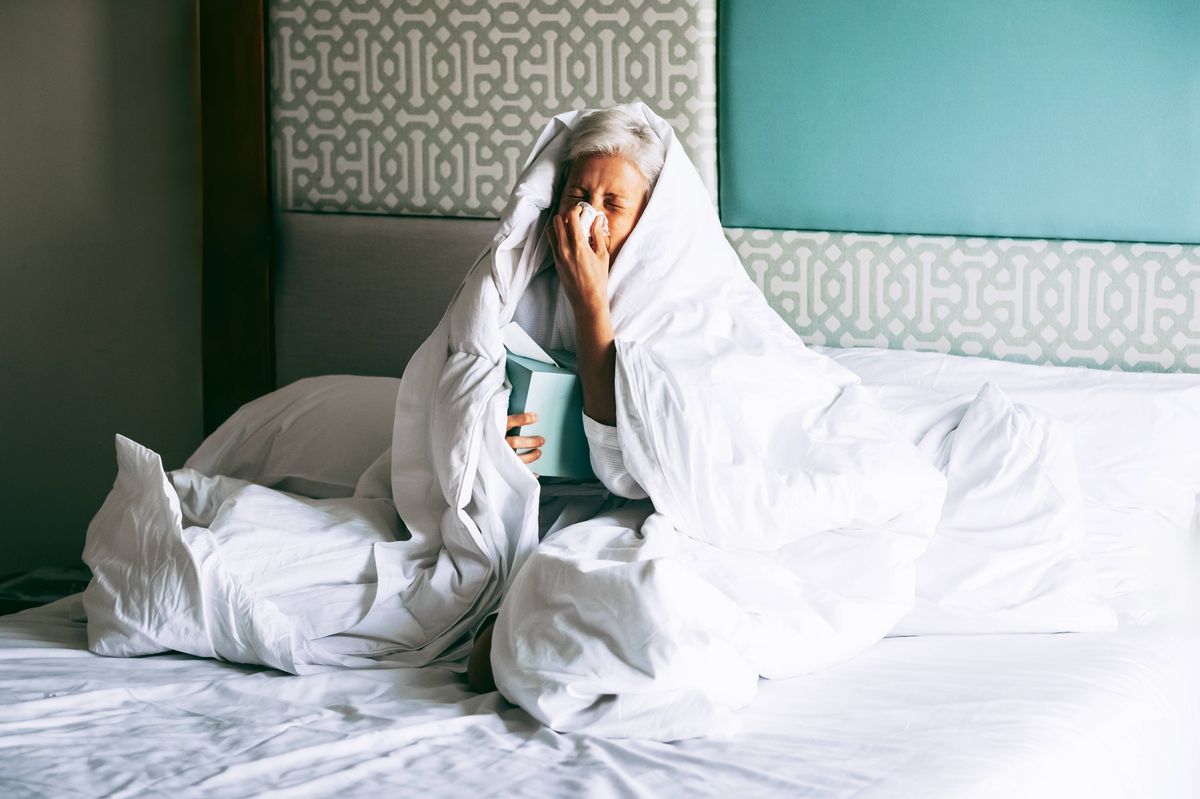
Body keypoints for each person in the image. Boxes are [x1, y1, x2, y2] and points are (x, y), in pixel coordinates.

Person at [467, 107, 666, 691]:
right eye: (579, 196)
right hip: (539, 497)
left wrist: (591, 301)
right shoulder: (518, 284)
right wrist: (491, 436)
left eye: (613, 204)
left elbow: (633, 468)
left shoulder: (671, 304)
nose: (587, 217)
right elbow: (460, 386)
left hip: (634, 507)